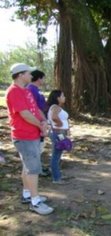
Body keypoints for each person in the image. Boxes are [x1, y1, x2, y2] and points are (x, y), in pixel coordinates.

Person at [5, 63, 54, 215]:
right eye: (28, 73)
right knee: (33, 169)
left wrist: (43, 120)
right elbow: (25, 114)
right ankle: (35, 202)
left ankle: (27, 194)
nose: (31, 76)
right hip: (24, 136)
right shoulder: (14, 92)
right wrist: (41, 126)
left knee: (27, 167)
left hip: (32, 134)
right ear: (20, 75)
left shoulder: (25, 91)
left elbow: (35, 109)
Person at [27, 69, 50, 177]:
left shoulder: (36, 89)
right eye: (43, 78)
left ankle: (39, 167)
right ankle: (36, 169)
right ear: (39, 78)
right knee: (36, 146)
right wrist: (43, 120)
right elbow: (34, 107)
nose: (44, 80)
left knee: (40, 145)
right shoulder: (30, 89)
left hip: (42, 119)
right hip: (38, 120)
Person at [47, 90, 71, 184]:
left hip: (60, 132)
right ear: (58, 98)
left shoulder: (57, 107)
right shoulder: (55, 107)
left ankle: (57, 175)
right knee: (56, 155)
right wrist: (60, 124)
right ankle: (56, 178)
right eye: (62, 96)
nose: (64, 97)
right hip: (58, 133)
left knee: (58, 155)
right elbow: (54, 117)